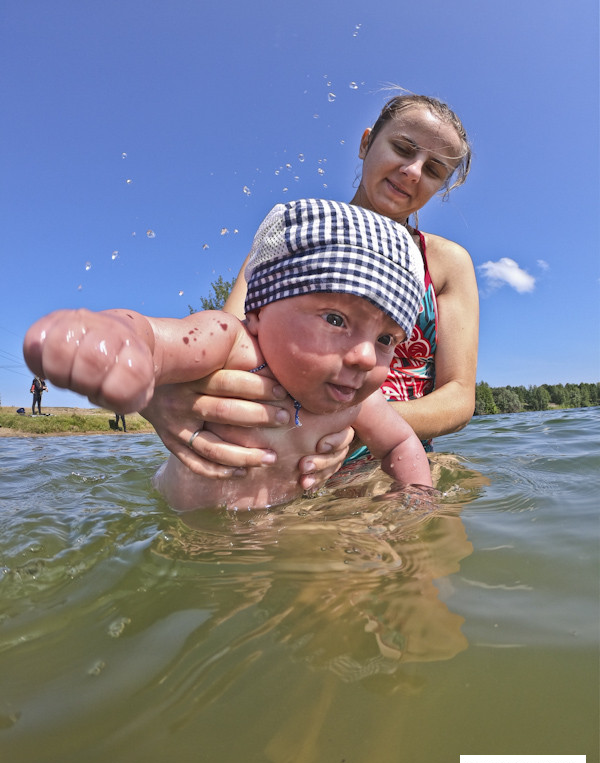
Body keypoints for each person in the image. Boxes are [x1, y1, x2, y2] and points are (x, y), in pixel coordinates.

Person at [141, 91, 479, 486]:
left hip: (393, 461)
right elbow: (229, 337)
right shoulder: (293, 237)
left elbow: (459, 395)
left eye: (435, 170)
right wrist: (156, 393)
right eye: (403, 148)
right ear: (366, 142)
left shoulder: (446, 262)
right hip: (283, 452)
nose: (413, 171)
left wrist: (354, 422)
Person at [23, 199, 433, 511]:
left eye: (386, 339)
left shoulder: (355, 400)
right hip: (182, 529)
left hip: (280, 529)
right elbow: (153, 335)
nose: (364, 356)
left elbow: (402, 445)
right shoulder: (231, 345)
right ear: (257, 310)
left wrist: (416, 501)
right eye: (335, 319)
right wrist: (110, 340)